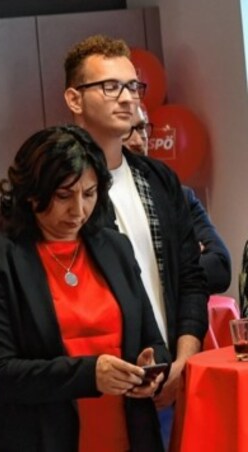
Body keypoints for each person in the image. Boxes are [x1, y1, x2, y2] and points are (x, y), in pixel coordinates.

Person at [0, 125, 170, 452]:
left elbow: (153, 339)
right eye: (63, 196)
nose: (78, 210)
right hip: (40, 438)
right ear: (31, 194)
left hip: (128, 432)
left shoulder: (115, 248)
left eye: (89, 194)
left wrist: (153, 365)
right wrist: (90, 374)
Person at [62, 36, 208, 419]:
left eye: (133, 86)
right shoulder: (61, 194)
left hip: (173, 373)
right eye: (110, 87)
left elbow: (191, 277)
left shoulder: (159, 179)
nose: (128, 98)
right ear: (75, 99)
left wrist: (183, 361)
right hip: (99, 389)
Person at [124, 105, 231, 294]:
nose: (137, 141)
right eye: (125, 132)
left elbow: (220, 268)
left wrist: (155, 267)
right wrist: (185, 257)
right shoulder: (94, 199)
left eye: (141, 128)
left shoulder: (180, 196)